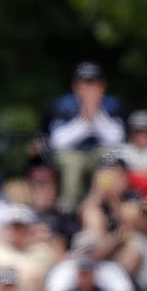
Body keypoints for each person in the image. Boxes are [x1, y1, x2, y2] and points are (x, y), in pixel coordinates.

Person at [45, 62, 127, 210]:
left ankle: (107, 204)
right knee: (72, 162)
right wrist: (84, 120)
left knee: (110, 157)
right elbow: (57, 142)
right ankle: (69, 206)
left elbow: (116, 140)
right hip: (72, 153)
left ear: (102, 86)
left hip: (99, 153)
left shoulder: (113, 104)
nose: (89, 89)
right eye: (84, 84)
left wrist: (96, 115)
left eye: (93, 84)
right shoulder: (62, 105)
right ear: (75, 86)